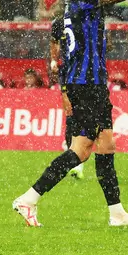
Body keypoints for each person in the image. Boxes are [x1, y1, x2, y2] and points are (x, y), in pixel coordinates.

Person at [13, 0, 128, 227]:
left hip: (90, 83)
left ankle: (116, 213)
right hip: (86, 83)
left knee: (106, 145)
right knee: (81, 150)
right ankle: (29, 198)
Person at [50, 17, 84, 180]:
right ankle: (76, 162)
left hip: (88, 75)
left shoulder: (88, 19)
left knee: (89, 121)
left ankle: (78, 157)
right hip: (70, 74)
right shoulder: (59, 23)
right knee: (71, 117)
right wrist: (53, 60)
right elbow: (54, 42)